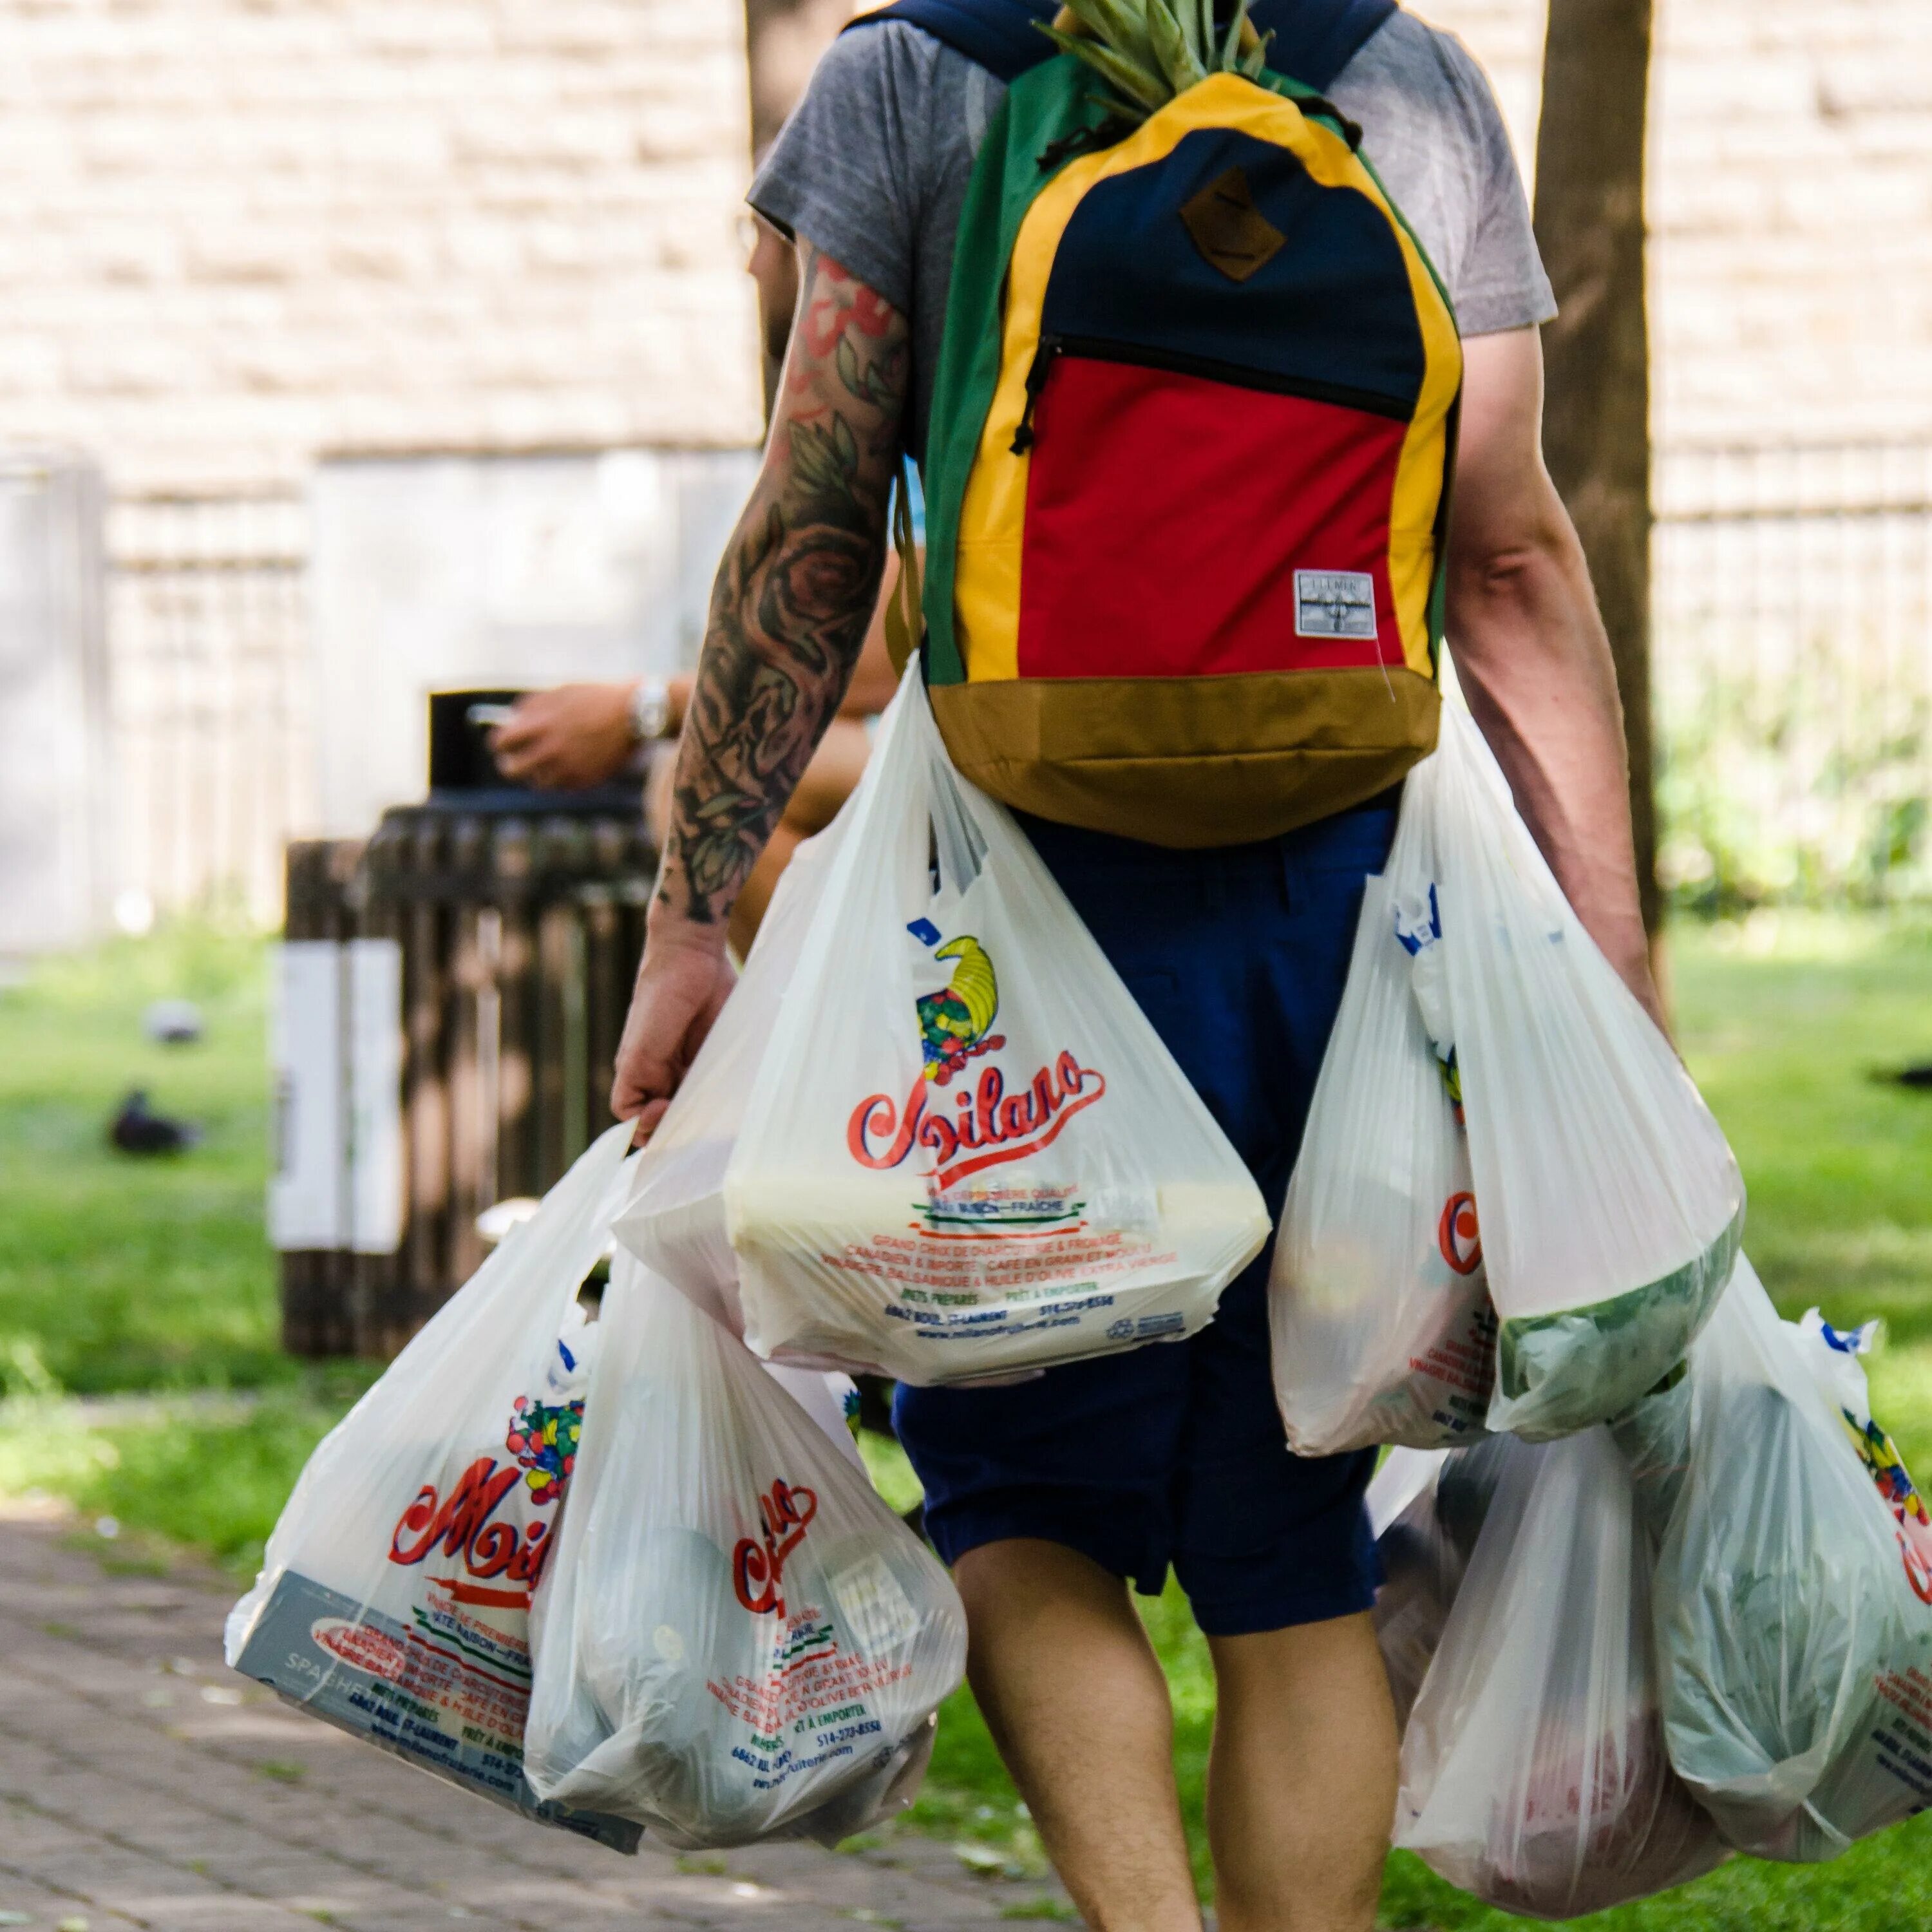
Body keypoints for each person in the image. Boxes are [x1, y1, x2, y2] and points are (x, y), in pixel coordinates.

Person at [609, 6, 1664, 1929]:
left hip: (1007, 924)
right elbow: (1507, 552)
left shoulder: (913, 73)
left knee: (1014, 1487)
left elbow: (817, 518)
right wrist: (1613, 954)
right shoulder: (1403, 80)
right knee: (1294, 1536)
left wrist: (694, 919)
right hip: (1330, 901)